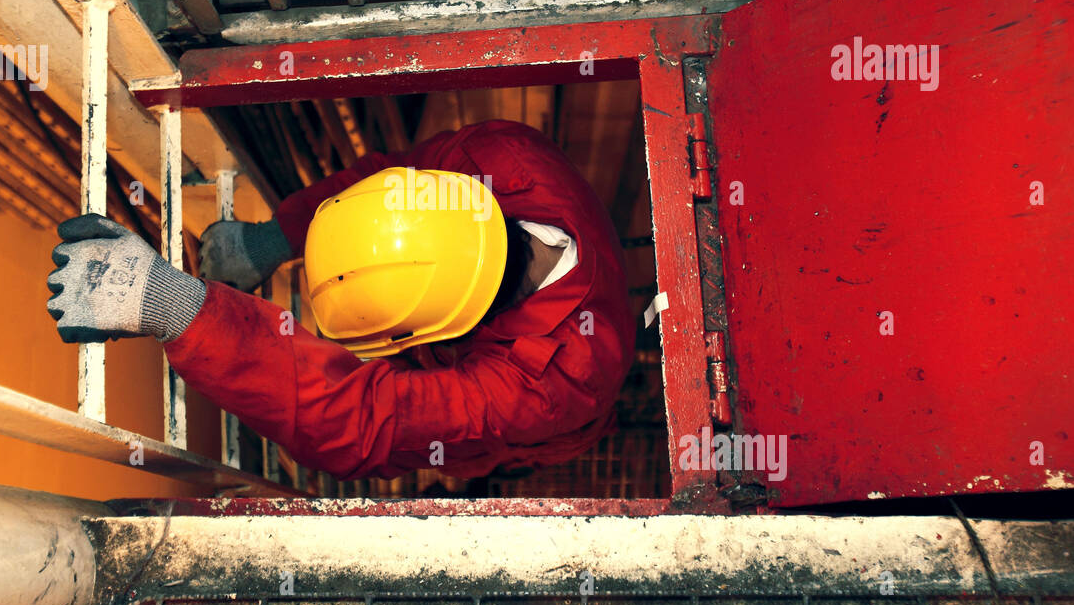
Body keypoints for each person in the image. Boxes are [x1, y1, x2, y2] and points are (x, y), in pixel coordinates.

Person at [45, 119, 634, 481]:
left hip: (537, 436)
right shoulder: (500, 155)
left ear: (448, 337)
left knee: (451, 454)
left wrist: (173, 305)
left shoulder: (558, 385)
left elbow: (367, 421)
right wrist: (273, 239)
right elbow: (387, 177)